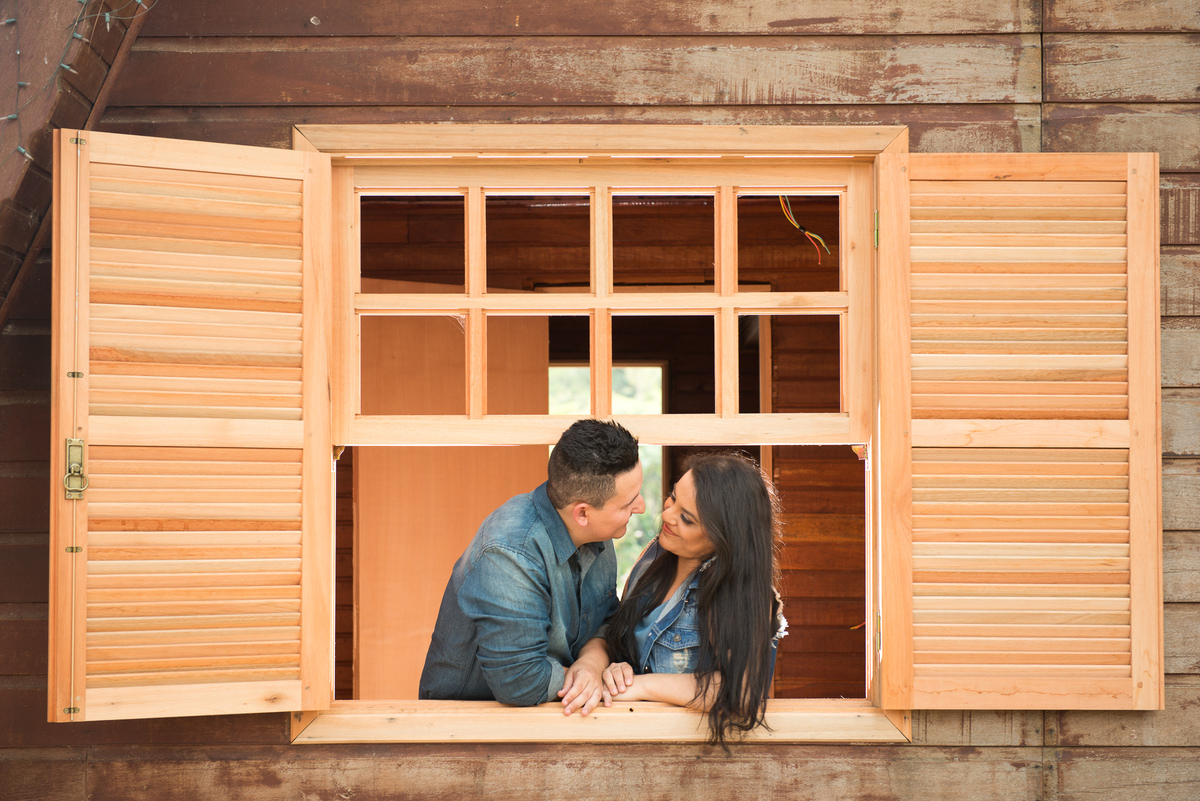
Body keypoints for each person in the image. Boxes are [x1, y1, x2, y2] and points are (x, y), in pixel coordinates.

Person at [419, 419, 645, 716]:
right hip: (467, 728)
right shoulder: (509, 552)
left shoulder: (598, 531)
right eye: (628, 503)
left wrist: (591, 664)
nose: (640, 506)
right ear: (582, 513)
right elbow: (520, 681)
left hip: (551, 719)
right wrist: (585, 682)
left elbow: (607, 620)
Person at [600, 452, 785, 746]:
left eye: (686, 518)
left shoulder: (740, 595)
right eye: (673, 498)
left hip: (689, 753)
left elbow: (740, 692)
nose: (667, 515)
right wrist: (617, 669)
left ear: (724, 537)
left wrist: (642, 685)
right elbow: (623, 644)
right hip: (628, 738)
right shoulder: (654, 557)